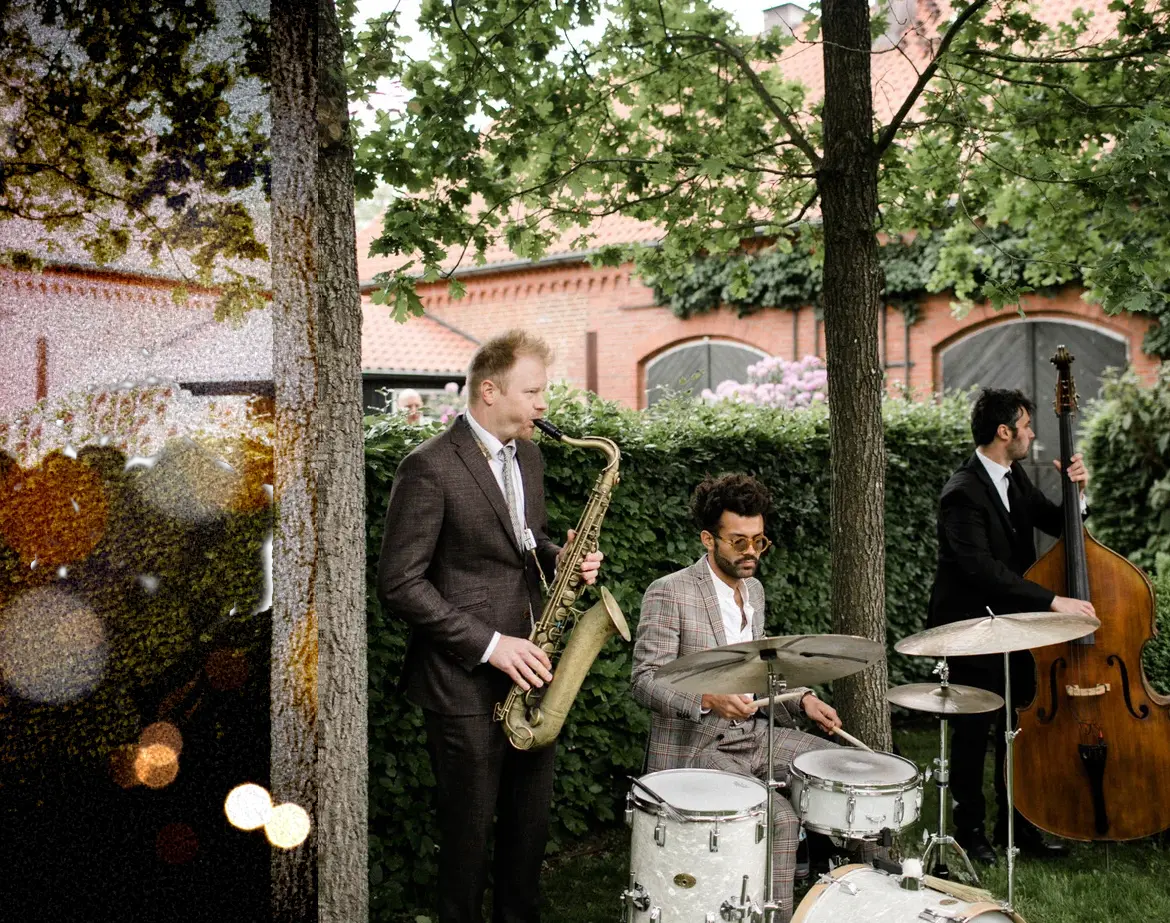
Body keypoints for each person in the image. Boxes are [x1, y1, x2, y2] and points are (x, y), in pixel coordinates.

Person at [378, 329, 603, 923]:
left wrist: (561, 557)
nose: (544, 405)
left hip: (533, 677)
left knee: (528, 836)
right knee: (468, 843)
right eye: (533, 392)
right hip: (463, 685)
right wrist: (491, 645)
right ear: (489, 390)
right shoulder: (427, 467)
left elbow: (521, 542)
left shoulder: (528, 453)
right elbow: (400, 585)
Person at [632, 473, 854, 923]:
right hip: (699, 745)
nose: (751, 552)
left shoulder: (753, 590)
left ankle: (865, 901)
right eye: (738, 541)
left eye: (758, 541)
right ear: (708, 539)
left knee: (847, 773)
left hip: (753, 732)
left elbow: (761, 668)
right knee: (779, 819)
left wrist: (802, 699)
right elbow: (643, 679)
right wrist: (709, 698)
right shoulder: (669, 592)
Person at [927, 387, 1094, 864]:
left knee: (1016, 726)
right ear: (1005, 432)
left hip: (1013, 624)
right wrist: (1052, 600)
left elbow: (1057, 522)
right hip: (970, 628)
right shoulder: (962, 493)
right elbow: (980, 569)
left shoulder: (1012, 476)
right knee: (974, 730)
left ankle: (1018, 827)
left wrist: (1077, 492)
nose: (1032, 433)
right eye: (1025, 425)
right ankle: (971, 832)